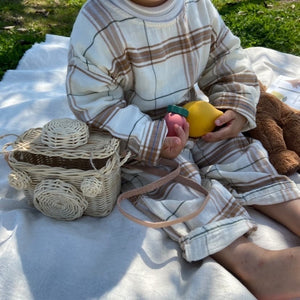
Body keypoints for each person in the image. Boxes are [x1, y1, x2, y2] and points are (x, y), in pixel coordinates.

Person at [66, 0, 300, 298]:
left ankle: (294, 212)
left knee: (241, 153)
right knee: (174, 186)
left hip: (192, 116)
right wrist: (149, 136)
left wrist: (234, 104)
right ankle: (255, 263)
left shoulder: (195, 5)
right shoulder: (99, 21)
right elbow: (93, 101)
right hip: (134, 135)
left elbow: (226, 58)